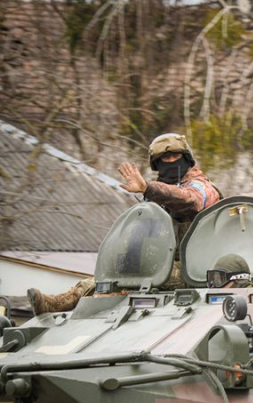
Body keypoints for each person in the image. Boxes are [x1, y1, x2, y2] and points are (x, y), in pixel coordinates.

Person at [27, 133, 221, 314]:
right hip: (165, 265)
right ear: (156, 164)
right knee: (114, 273)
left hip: (195, 268)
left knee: (131, 274)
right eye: (164, 158)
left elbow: (190, 200)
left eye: (175, 156)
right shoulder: (156, 199)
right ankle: (59, 303)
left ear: (186, 159)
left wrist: (148, 188)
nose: (170, 162)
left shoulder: (202, 187)